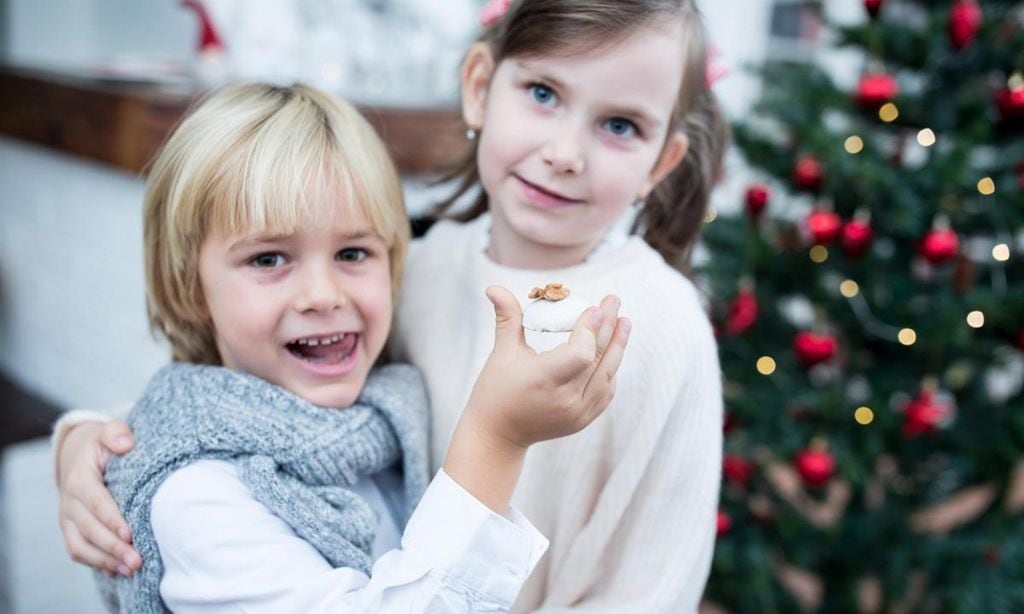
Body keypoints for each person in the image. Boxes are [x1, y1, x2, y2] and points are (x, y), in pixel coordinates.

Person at [54, 0, 728, 610]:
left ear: (662, 162)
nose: (564, 153)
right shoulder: (424, 268)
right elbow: (243, 412)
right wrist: (92, 441)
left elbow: (655, 584)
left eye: (619, 124)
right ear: (479, 90)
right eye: (544, 92)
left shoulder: (665, 328)